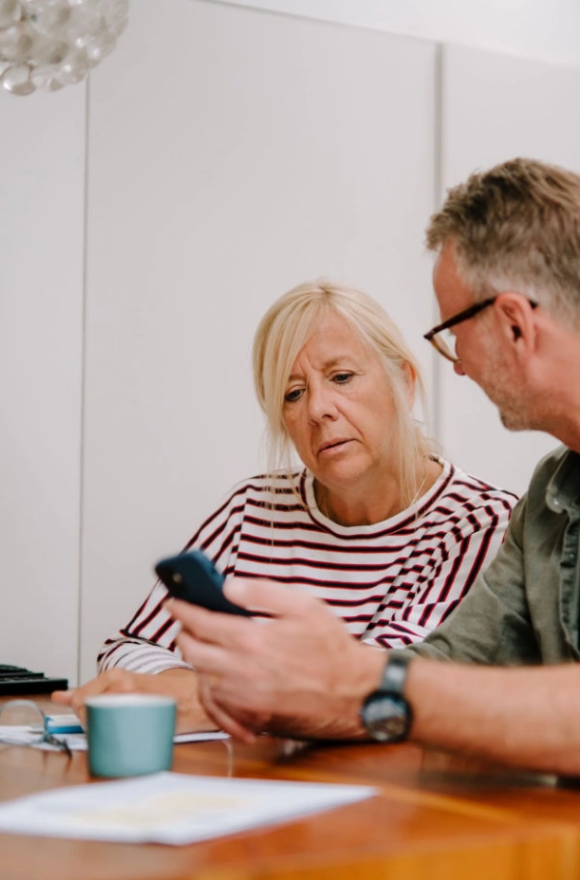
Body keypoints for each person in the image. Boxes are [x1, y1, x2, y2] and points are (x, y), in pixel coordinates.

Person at [169, 157, 580, 778]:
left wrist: (355, 678)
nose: (459, 365)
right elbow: (446, 668)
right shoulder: (549, 499)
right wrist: (292, 687)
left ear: (514, 325)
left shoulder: (481, 516)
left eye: (453, 331)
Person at [53, 282, 515, 731]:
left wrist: (206, 697)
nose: (318, 409)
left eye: (341, 377)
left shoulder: (478, 524)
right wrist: (205, 691)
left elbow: (386, 687)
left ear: (404, 383)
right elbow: (130, 647)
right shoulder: (253, 509)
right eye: (293, 393)